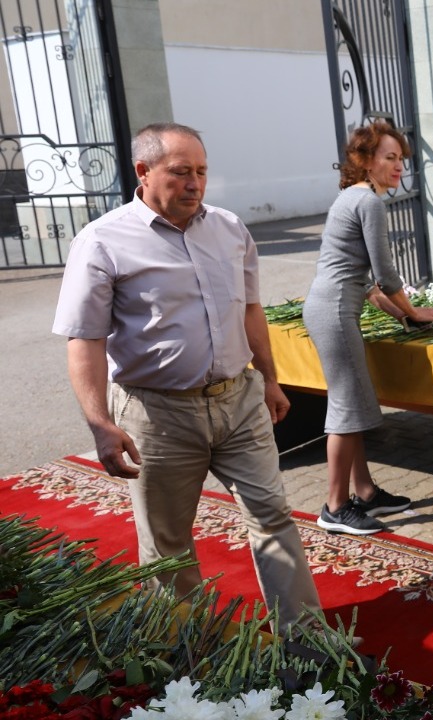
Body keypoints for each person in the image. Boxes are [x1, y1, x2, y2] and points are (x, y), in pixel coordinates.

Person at [52, 122, 321, 629]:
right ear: (143, 171)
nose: (195, 183)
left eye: (201, 171)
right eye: (180, 172)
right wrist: (100, 423)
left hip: (239, 401)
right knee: (168, 543)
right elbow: (84, 339)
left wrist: (269, 378)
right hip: (158, 415)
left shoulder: (229, 228)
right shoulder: (102, 241)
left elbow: (250, 311)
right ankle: (188, 651)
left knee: (272, 516)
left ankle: (306, 641)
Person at [302, 121, 433, 535]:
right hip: (334, 313)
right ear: (365, 160)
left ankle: (364, 492)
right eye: (389, 157)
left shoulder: (351, 196)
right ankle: (334, 507)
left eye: (401, 159)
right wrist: (414, 311)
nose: (398, 166)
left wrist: (402, 315)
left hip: (328, 308)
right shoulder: (369, 203)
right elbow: (385, 275)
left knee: (351, 408)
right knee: (346, 410)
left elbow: (367, 286)